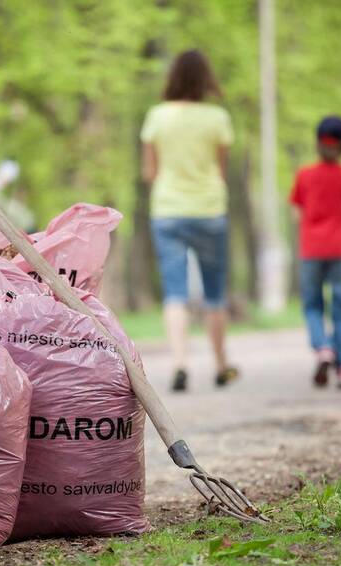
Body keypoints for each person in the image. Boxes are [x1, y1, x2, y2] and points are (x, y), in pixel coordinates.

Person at [140, 49, 238, 392]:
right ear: (205, 79)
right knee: (214, 292)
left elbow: (150, 172)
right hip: (210, 209)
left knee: (175, 293)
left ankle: (180, 363)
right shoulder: (217, 118)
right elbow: (221, 171)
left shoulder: (157, 116)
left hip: (168, 210)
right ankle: (222, 364)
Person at [290, 116, 341, 390]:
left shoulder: (304, 175)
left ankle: (323, 349)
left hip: (312, 249)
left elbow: (297, 211)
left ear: (317, 142)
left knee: (313, 305)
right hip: (340, 249)